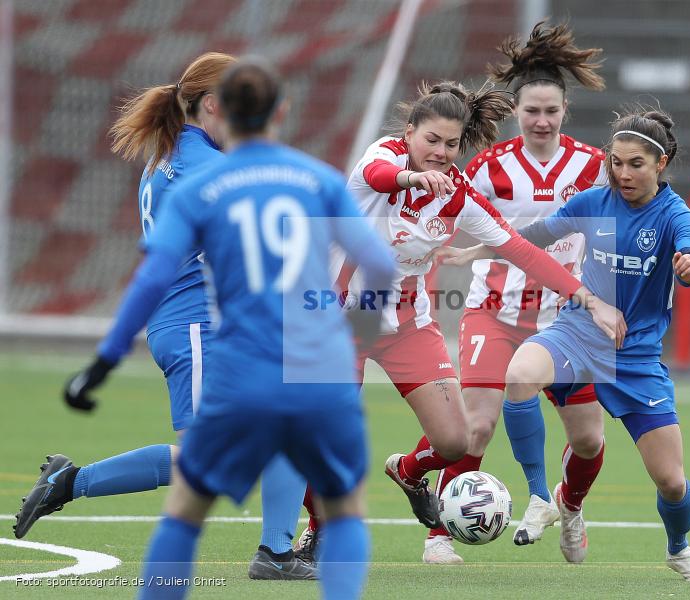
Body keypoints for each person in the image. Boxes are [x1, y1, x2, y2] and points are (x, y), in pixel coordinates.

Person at [63, 57, 393, 600]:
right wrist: (358, 335)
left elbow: (151, 278)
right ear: (280, 112)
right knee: (343, 505)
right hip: (292, 354)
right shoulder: (312, 177)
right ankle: (279, 554)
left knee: (188, 504)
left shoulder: (199, 179)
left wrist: (103, 360)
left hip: (236, 357)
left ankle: (273, 552)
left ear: (224, 111)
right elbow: (377, 264)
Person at [13, 52, 318, 580]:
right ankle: (71, 483)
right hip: (196, 326)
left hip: (204, 325)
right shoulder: (208, 167)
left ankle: (276, 553)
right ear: (213, 104)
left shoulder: (173, 156)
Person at [329, 80, 617, 554]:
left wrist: (589, 298)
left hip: (407, 321)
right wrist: (410, 178)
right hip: (346, 319)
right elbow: (381, 175)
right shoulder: (384, 156)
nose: (441, 153)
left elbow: (525, 251)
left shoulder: (459, 195)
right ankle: (316, 536)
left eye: (450, 144)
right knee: (333, 434)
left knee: (456, 438)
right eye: (431, 141)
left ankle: (409, 472)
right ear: (409, 134)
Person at [440, 108, 690, 580]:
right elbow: (529, 240)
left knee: (671, 482)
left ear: (662, 164)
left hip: (635, 358)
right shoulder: (593, 201)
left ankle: (677, 548)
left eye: (636, 164)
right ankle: (540, 497)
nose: (623, 173)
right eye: (616, 162)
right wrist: (476, 250)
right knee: (521, 375)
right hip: (578, 334)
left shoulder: (674, 215)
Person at [421, 21, 609, 565]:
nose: (542, 120)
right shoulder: (488, 166)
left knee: (591, 441)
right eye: (532, 111)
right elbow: (443, 212)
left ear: (565, 111)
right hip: (493, 313)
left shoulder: (594, 167)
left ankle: (567, 507)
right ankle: (439, 536)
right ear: (515, 112)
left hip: (565, 321)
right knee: (475, 424)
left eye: (551, 111)